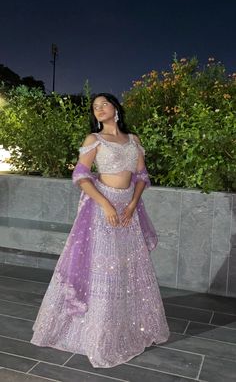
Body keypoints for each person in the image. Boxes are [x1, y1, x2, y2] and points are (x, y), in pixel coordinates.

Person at [31, 92, 170, 368]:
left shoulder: (134, 141)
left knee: (127, 268)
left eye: (104, 104)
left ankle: (127, 328)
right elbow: (81, 175)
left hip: (127, 210)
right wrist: (106, 205)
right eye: (95, 107)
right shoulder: (93, 140)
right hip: (102, 211)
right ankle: (97, 335)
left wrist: (131, 205)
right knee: (102, 268)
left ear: (116, 108)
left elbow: (142, 176)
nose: (99, 109)